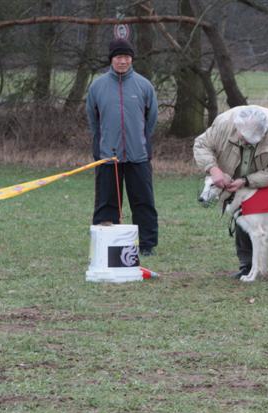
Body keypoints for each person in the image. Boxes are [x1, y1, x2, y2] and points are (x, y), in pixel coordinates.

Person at [193, 105, 268, 283]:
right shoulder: (223, 124)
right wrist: (213, 169)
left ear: (263, 133)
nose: (247, 142)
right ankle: (247, 266)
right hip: (238, 165)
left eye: (252, 140)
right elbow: (201, 145)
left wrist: (246, 181)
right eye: (244, 138)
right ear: (237, 128)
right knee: (242, 211)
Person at [86, 38, 159, 256]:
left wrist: (140, 141)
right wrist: (103, 144)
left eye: (126, 57)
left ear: (131, 59)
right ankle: (104, 242)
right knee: (106, 203)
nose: (123, 61)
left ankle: (146, 244)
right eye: (118, 57)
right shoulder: (97, 86)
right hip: (108, 156)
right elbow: (93, 120)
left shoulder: (144, 86)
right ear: (111, 59)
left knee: (143, 202)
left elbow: (151, 120)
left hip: (139, 155)